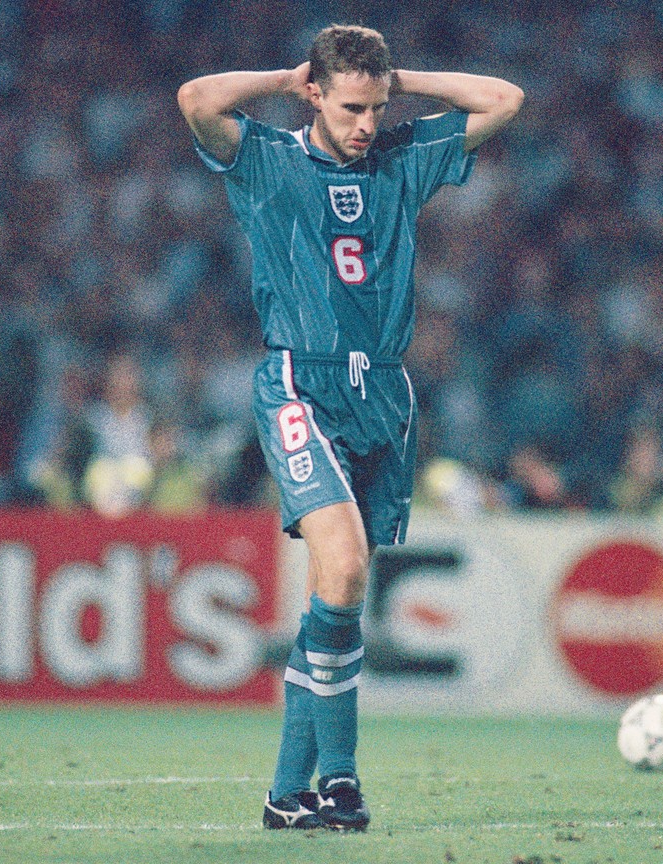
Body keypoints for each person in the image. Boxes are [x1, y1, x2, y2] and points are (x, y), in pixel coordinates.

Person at [177, 24, 522, 832]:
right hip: (301, 383)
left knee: (338, 592)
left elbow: (505, 99)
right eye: (352, 106)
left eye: (376, 105)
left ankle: (286, 796)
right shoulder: (268, 158)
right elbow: (195, 99)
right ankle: (342, 783)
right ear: (315, 96)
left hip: (384, 394)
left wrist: (406, 81)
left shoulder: (402, 158)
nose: (366, 122)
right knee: (345, 565)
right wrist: (286, 74)